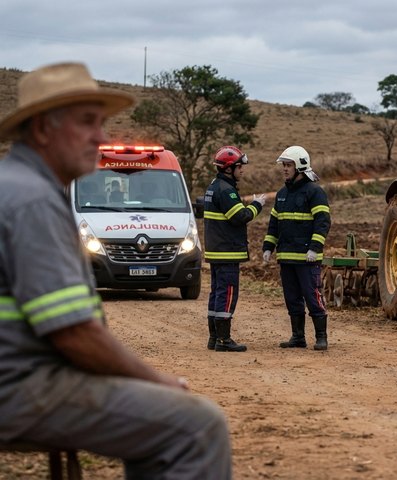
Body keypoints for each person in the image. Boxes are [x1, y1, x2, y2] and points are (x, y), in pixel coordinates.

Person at [0, 62, 232, 478]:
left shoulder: (13, 185)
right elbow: (73, 332)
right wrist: (156, 382)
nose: (101, 137)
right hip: (18, 386)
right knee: (197, 426)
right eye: (87, 122)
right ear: (41, 130)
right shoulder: (33, 201)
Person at [262, 146, 331, 350]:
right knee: (292, 298)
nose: (284, 169)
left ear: (300, 166)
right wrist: (268, 247)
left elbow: (323, 222)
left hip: (307, 259)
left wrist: (314, 248)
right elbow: (274, 224)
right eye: (283, 165)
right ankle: (298, 337)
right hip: (286, 258)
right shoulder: (282, 194)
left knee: (313, 296)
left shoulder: (315, 192)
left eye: (288, 165)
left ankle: (321, 337)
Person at [203, 145, 266, 352]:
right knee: (228, 293)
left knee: (217, 293)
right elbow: (240, 217)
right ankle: (223, 340)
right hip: (227, 251)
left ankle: (214, 338)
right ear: (229, 168)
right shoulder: (226, 191)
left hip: (216, 251)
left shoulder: (214, 187)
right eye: (240, 166)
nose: (243, 170)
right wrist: (257, 204)